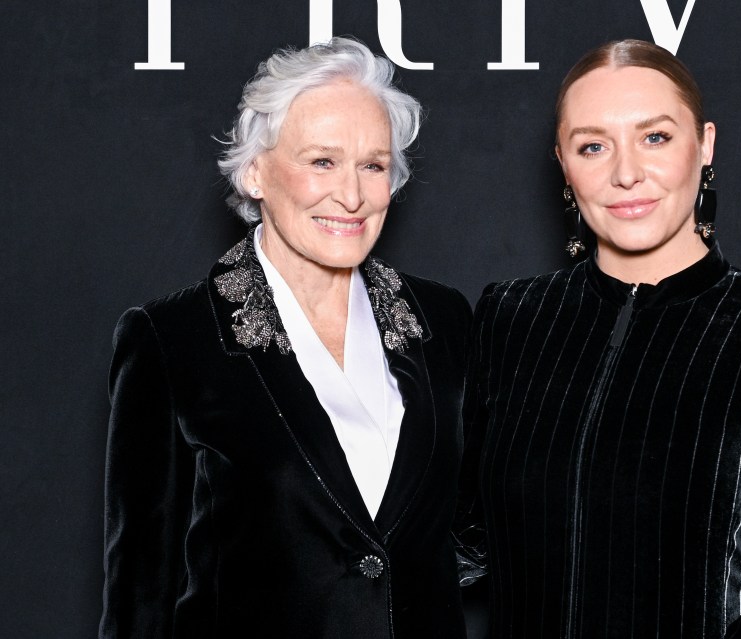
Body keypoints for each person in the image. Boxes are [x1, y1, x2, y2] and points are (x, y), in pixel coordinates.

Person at [456, 39, 741, 638]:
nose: (626, 174)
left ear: (704, 146)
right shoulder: (511, 317)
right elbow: (464, 541)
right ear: (563, 166)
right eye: (593, 146)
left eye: (655, 138)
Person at [100, 38, 470, 638]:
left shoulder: (442, 320)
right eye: (322, 161)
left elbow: (468, 528)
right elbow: (141, 591)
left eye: (373, 165)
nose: (350, 196)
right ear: (254, 172)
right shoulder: (171, 340)